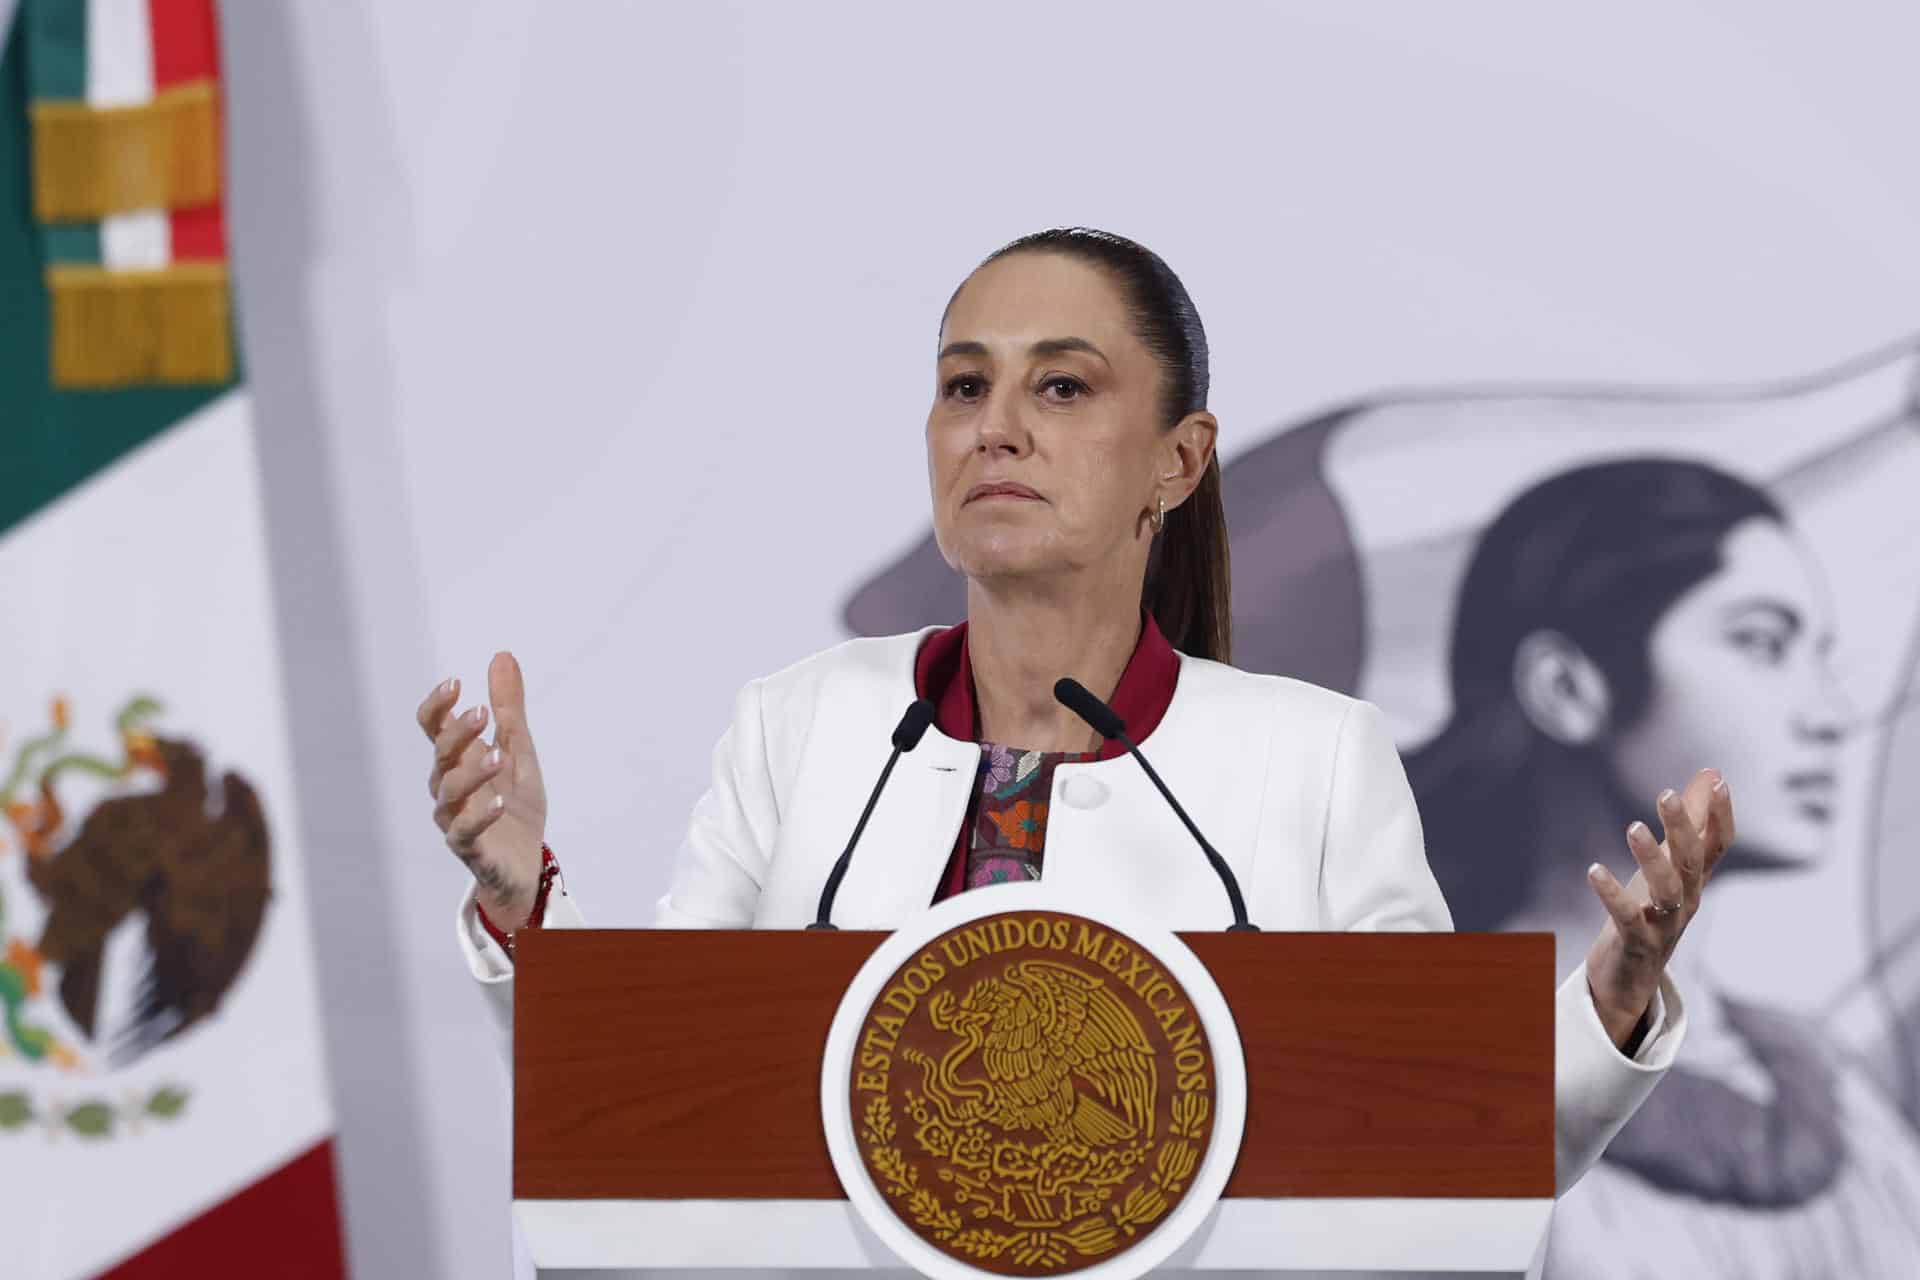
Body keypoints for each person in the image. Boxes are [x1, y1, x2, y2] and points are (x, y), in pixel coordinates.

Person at [415, 228, 1731, 1196]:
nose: (996, 428)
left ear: (1180, 458)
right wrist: (523, 892)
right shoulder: (804, 728)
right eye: (963, 384)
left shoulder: (1313, 762)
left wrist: (1614, 995)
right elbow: (648, 1095)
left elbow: (1454, 1141)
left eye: (1060, 387)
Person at [1406, 459, 1920, 1275]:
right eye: (1761, 642)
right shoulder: (1406, 1065)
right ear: (1569, 687)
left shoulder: (1838, 1095)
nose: (1831, 715)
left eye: (1819, 655)